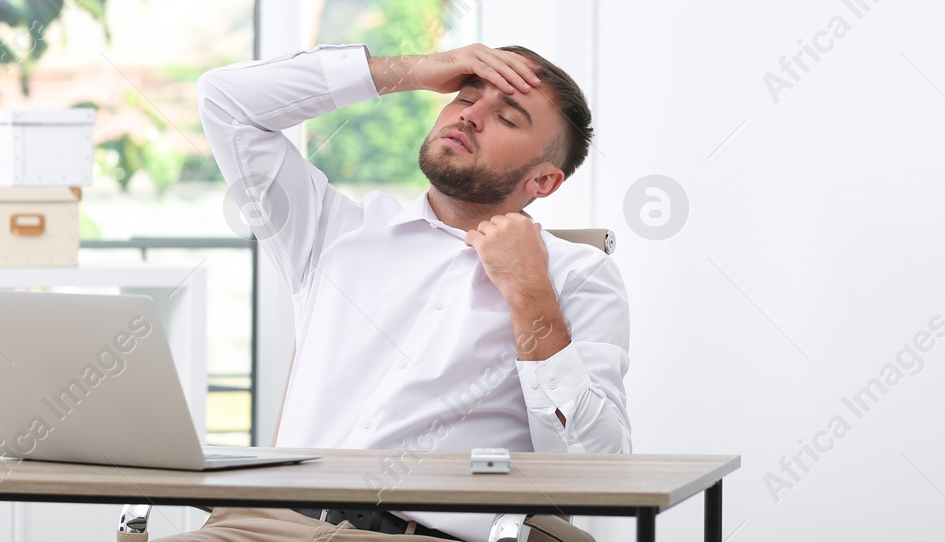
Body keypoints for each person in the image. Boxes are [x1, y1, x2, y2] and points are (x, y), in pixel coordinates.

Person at [154, 43, 630, 542]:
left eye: (507, 119)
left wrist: (531, 295)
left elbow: (596, 467)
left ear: (544, 181)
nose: (471, 117)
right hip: (258, 526)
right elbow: (226, 100)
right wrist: (414, 70)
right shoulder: (332, 232)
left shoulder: (577, 275)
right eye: (466, 97)